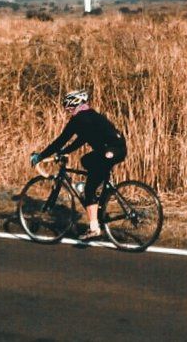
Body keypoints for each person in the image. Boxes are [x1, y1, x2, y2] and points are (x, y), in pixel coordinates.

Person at [31, 90, 127, 241]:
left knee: (89, 190)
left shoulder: (78, 120)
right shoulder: (90, 116)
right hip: (117, 150)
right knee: (86, 160)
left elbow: (61, 140)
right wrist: (64, 152)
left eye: (67, 106)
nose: (67, 109)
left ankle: (94, 228)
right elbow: (81, 139)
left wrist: (41, 156)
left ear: (74, 103)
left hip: (108, 152)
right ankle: (98, 197)